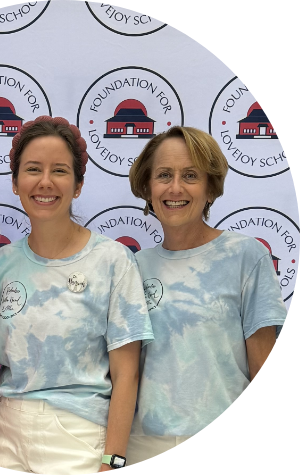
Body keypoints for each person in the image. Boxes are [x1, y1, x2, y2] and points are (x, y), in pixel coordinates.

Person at [0, 116, 154, 474]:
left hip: (78, 436)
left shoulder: (112, 260)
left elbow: (127, 374)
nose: (45, 182)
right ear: (15, 182)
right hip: (3, 433)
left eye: (60, 171)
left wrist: (113, 458)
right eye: (33, 169)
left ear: (78, 185)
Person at [127, 126, 288, 463]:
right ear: (147, 186)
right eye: (164, 175)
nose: (175, 188)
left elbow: (262, 361)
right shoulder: (131, 267)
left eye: (190, 175)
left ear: (211, 188)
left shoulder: (246, 257)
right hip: (143, 446)